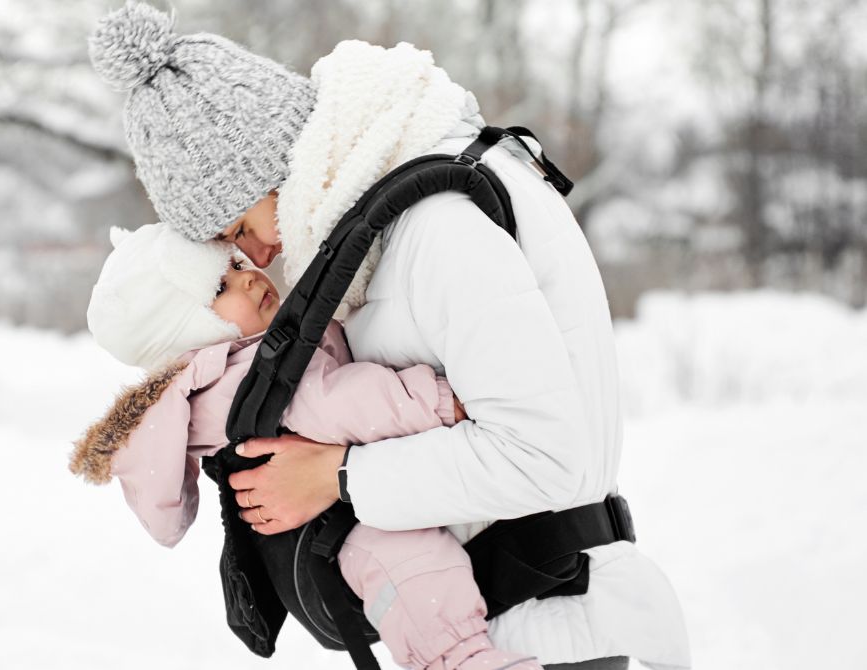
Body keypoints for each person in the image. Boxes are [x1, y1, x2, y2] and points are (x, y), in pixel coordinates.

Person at [87, 4, 690, 670]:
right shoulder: (384, 231)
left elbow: (547, 455)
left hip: (554, 627)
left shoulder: (436, 227)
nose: (258, 253)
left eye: (238, 228)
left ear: (264, 162)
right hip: (521, 621)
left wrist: (339, 476)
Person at [72, 221, 540, 670]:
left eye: (235, 267)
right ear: (183, 336)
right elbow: (338, 403)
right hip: (329, 546)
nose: (249, 281)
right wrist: (438, 400)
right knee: (416, 565)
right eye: (220, 290)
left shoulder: (250, 358)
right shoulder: (241, 379)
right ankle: (460, 660)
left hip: (320, 541)